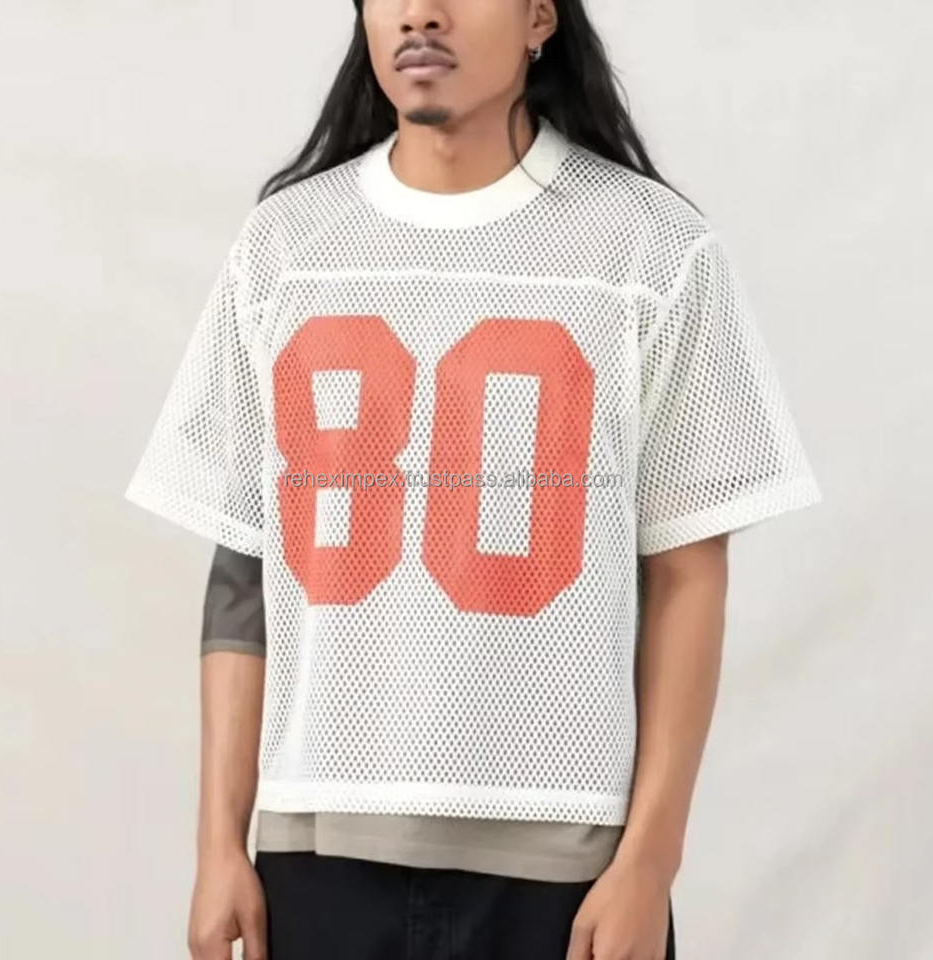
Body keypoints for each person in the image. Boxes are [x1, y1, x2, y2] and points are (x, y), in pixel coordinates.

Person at [125, 1, 823, 958]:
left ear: (540, 17)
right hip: (319, 846)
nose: (421, 13)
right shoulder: (284, 247)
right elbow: (243, 570)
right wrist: (217, 847)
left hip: (567, 863)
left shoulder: (653, 248)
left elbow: (687, 574)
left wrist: (650, 863)